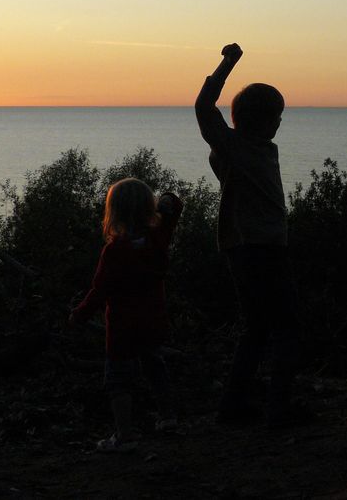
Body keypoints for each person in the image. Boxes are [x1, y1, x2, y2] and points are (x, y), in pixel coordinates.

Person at [195, 43, 309, 428]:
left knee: (259, 327)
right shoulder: (233, 146)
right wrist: (228, 63)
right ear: (261, 119)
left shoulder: (259, 148)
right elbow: (203, 107)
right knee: (285, 326)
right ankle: (277, 407)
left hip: (259, 246)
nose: (279, 123)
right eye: (276, 116)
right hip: (254, 247)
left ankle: (234, 406)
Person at [69, 178, 183, 452]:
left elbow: (100, 290)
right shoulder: (158, 239)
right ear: (148, 208)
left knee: (118, 380)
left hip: (123, 329)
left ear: (114, 212)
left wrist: (79, 315)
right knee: (155, 367)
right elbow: (174, 206)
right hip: (153, 321)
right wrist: (165, 201)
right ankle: (168, 418)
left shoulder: (114, 251)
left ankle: (124, 434)